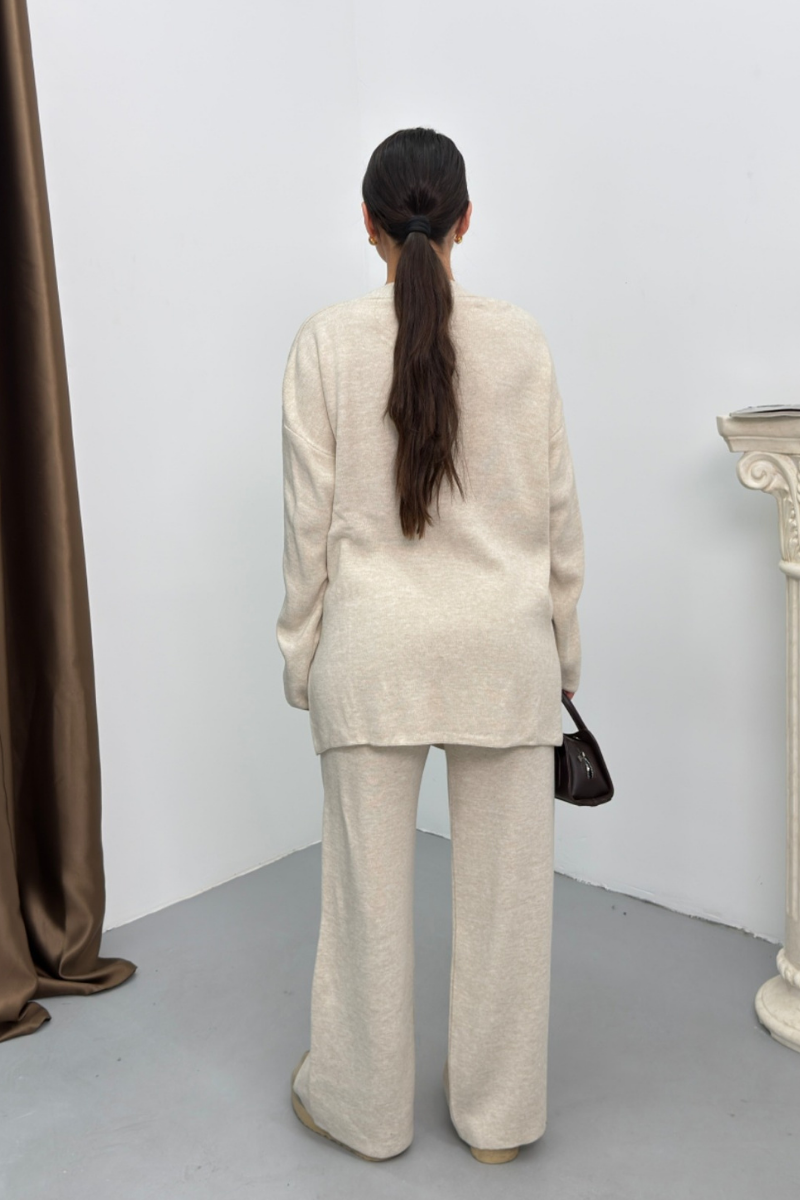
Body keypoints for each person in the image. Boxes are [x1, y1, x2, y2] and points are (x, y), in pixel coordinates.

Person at [276, 127, 584, 1165]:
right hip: (504, 656)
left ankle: (361, 1112)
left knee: (365, 907)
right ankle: (499, 1123)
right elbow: (558, 521)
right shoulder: (522, 341)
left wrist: (301, 656)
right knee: (507, 912)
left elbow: (307, 527)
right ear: (465, 221)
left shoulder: (325, 343)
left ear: (367, 224)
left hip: (371, 656)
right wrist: (560, 661)